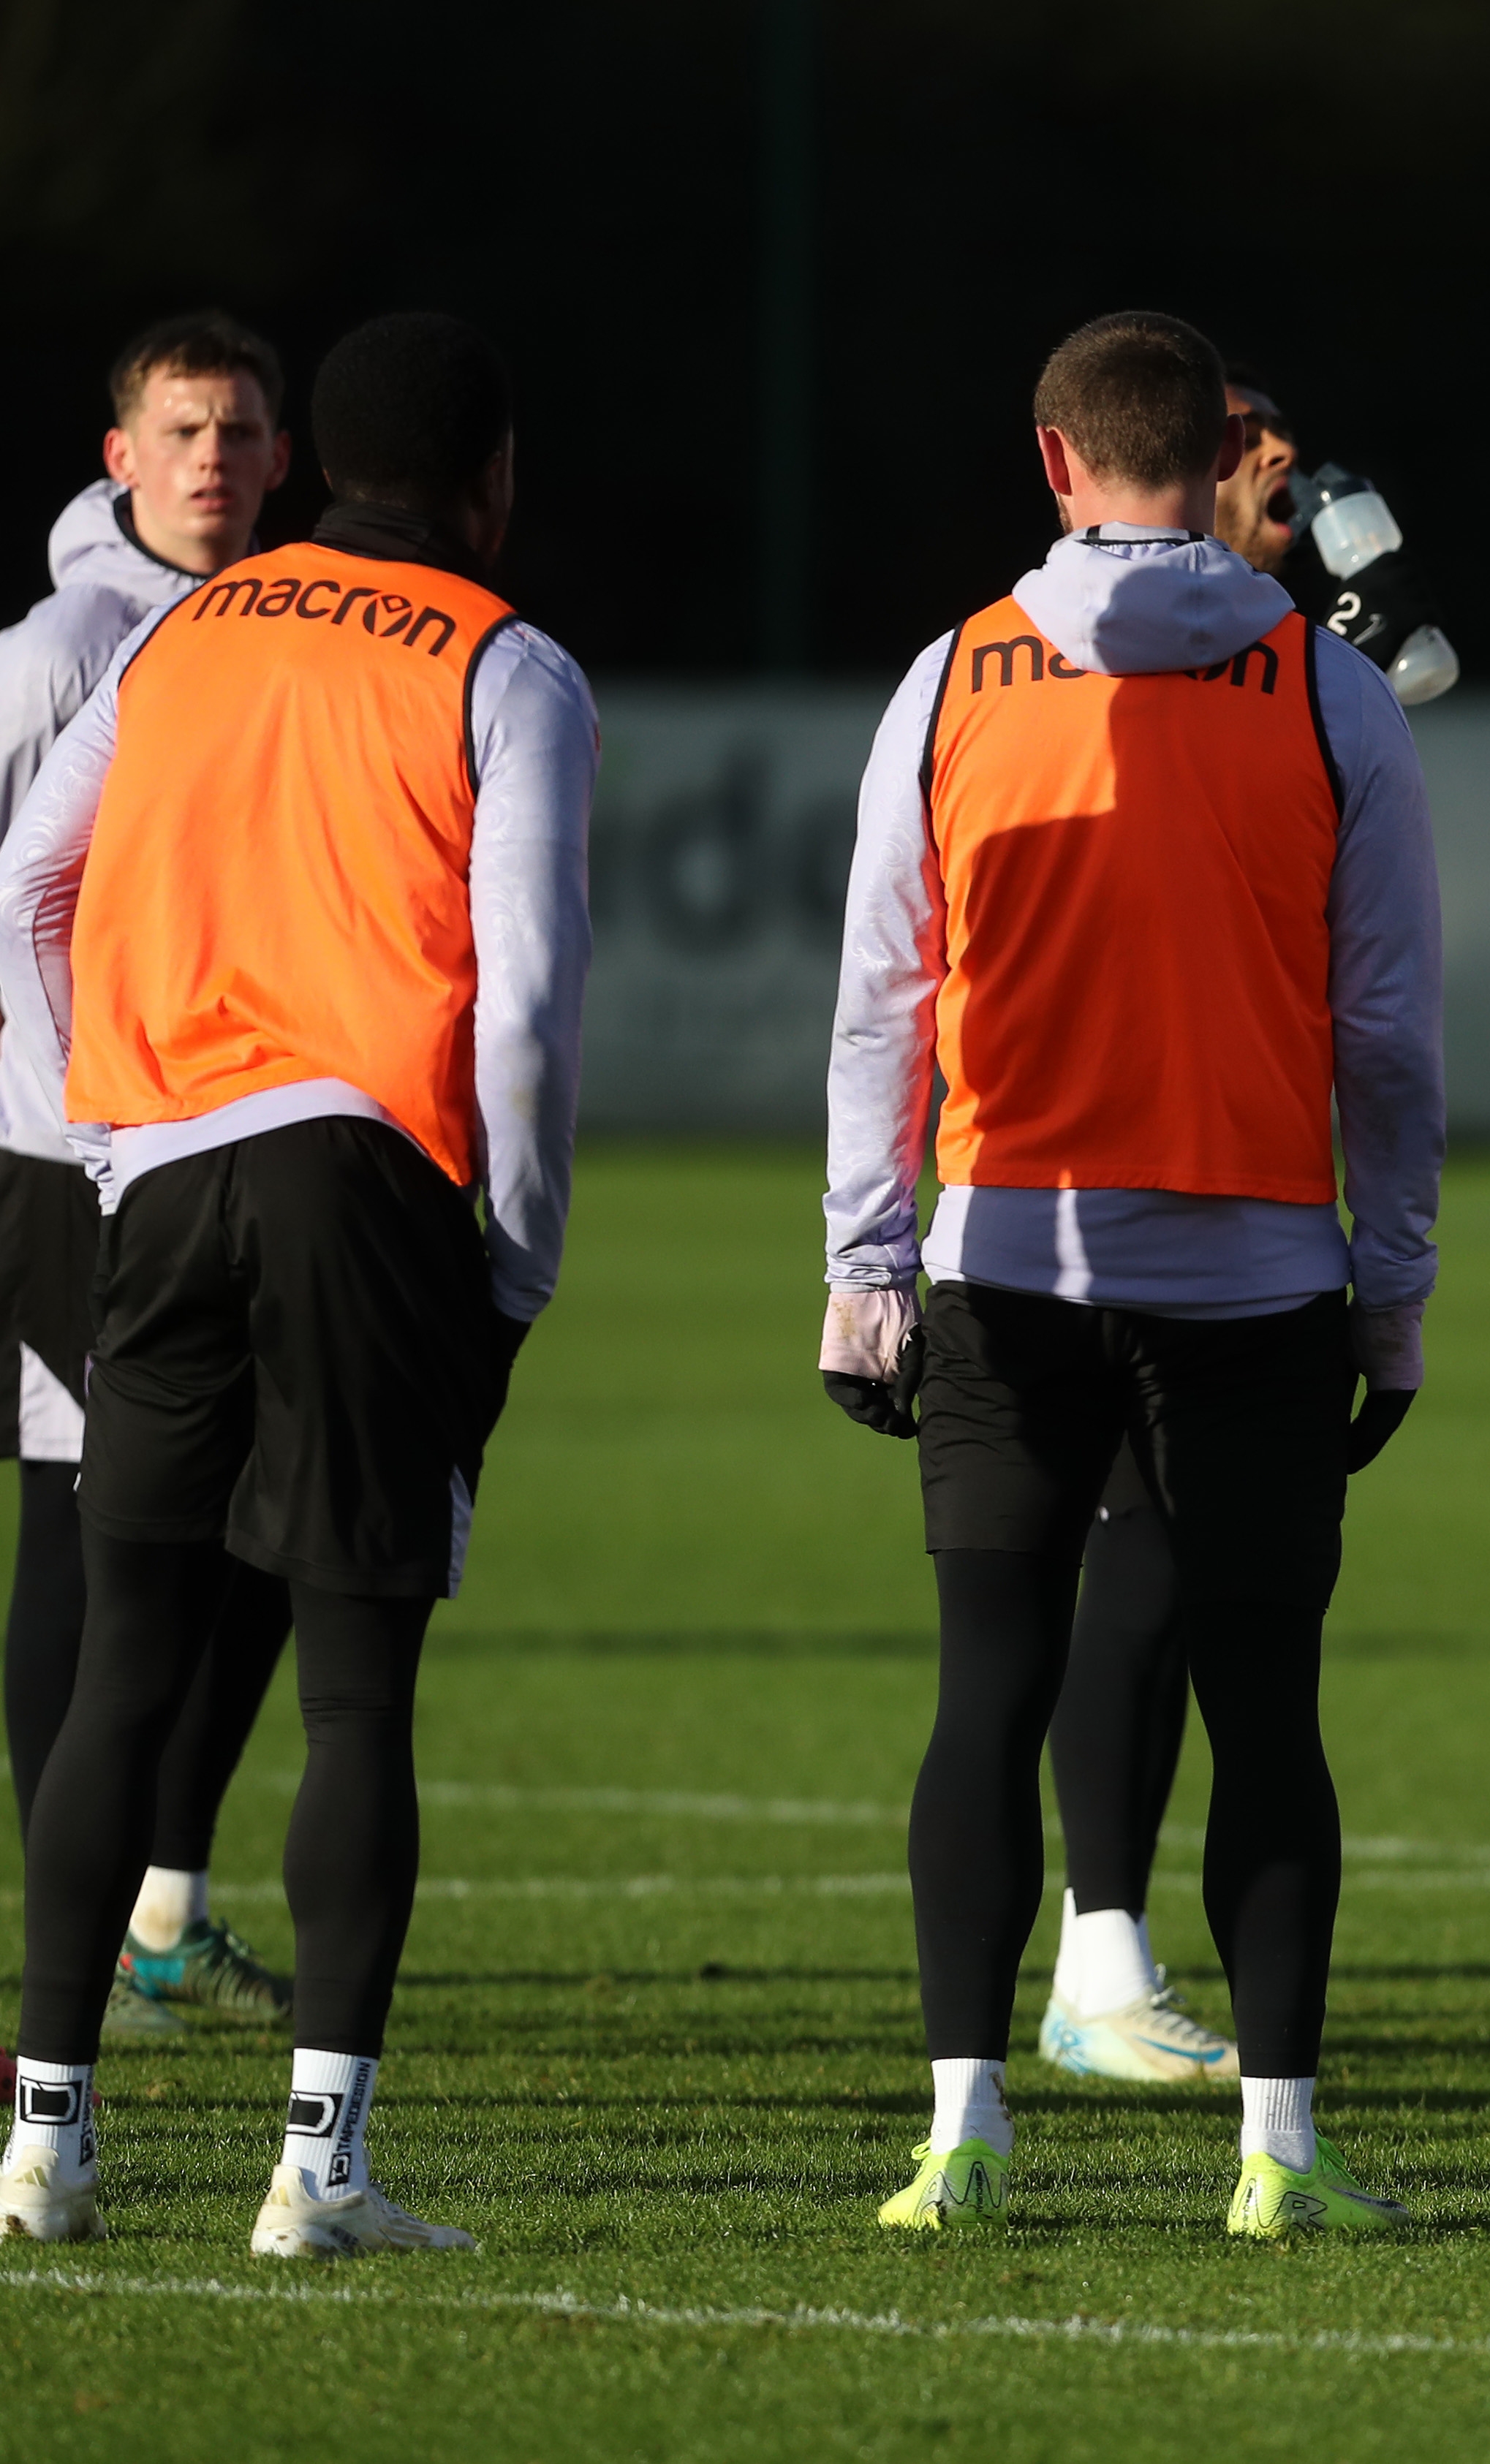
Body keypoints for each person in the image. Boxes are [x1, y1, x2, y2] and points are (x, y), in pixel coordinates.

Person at [822, 311, 1442, 2237]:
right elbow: (1393, 1035)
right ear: (1232, 459)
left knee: (985, 1692)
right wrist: (1395, 1285)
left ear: (1055, 461)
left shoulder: (950, 679)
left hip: (1009, 1250)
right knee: (1268, 1710)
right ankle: (1278, 2150)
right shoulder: (1331, 695)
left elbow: (880, 1008)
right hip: (1261, 1269)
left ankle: (964, 2132)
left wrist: (865, 1263)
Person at [0, 311, 593, 2256]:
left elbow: (33, 881)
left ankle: (49, 2141)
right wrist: (508, 1267)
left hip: (156, 1182)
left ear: (320, 464)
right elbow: (517, 1008)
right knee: (354, 1695)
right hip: (366, 1187)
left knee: (123, 1661)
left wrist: (113, 1117)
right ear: (493, 474)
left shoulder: (179, 630)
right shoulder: (509, 664)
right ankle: (317, 2169)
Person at [1034, 363, 1459, 2090]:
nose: (1277, 468)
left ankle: (1100, 1956)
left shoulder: (1292, 651)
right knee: (1133, 1576)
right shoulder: (1064, 646)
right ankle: (1094, 1958)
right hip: (1123, 1171)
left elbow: (1404, 684)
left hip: (1238, 1171)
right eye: (1245, 445)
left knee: (1164, 1572)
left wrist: (1343, 583)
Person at [0, 314, 306, 2050]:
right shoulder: (58, 652)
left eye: (242, 431)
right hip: (71, 1158)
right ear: (121, 455)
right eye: (183, 429)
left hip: (228, 1144)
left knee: (262, 1517)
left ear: (283, 461)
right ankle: (97, 1938)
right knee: (89, 1526)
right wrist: (63, 1090)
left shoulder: (279, 629)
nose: (213, 459)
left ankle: (158, 1906)